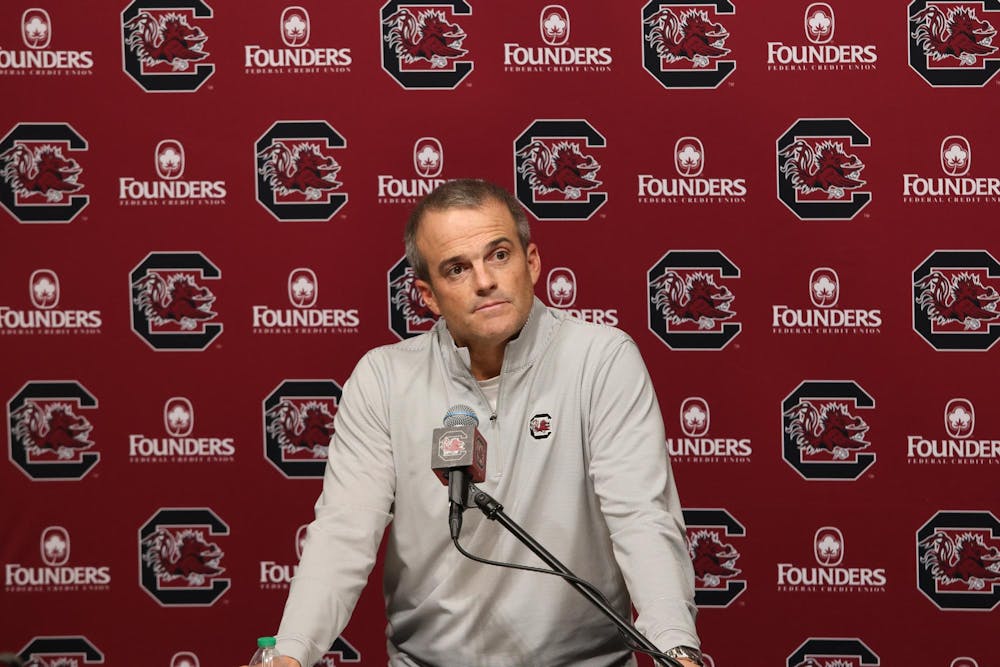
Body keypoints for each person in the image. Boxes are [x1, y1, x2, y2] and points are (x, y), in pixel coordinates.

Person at [243, 179, 701, 667]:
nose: (484, 281)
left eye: (499, 255)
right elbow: (344, 532)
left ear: (532, 263)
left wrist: (676, 648)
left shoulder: (601, 359)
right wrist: (290, 655)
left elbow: (641, 517)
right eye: (457, 269)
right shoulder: (383, 378)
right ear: (429, 295)